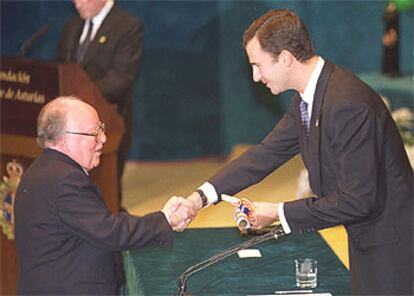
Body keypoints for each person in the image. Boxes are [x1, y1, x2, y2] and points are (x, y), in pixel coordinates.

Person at [183, 9, 413, 295]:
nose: (255, 77)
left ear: (285, 58)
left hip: (394, 246)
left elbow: (357, 201)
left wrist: (277, 211)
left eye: (258, 65)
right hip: (372, 237)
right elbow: (265, 155)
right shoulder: (310, 97)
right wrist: (200, 197)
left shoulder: (346, 105)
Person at [14, 96, 195, 295]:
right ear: (65, 140)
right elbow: (111, 233)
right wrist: (166, 219)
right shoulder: (65, 180)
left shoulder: (42, 171)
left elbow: (96, 224)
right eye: (94, 133)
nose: (104, 139)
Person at [55, 0, 142, 206]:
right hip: (70, 125)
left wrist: (78, 102)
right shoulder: (72, 27)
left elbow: (121, 78)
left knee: (105, 193)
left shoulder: (128, 26)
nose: (76, 3)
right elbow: (60, 69)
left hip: (109, 120)